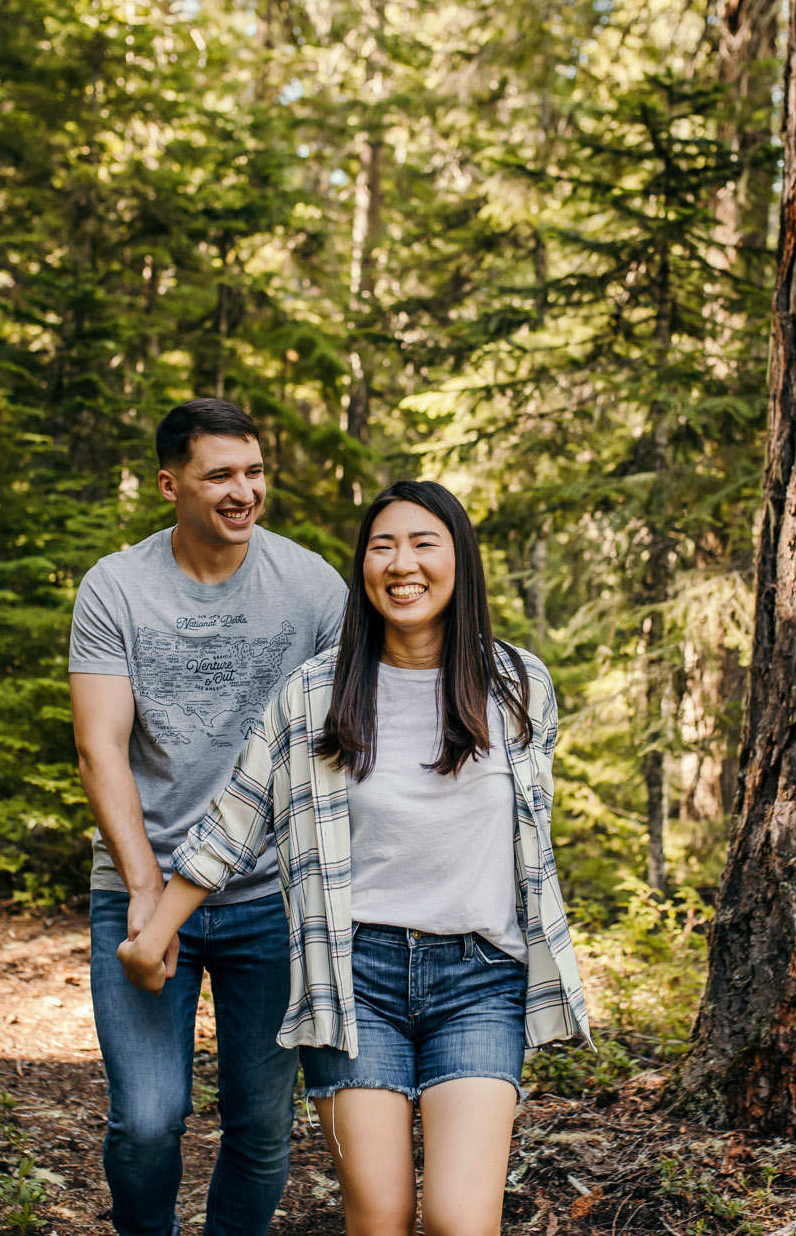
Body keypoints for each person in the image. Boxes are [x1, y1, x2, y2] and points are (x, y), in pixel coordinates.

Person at [117, 480, 591, 1236]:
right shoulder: (314, 692)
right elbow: (235, 822)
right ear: (363, 566)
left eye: (423, 543)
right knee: (379, 1216)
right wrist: (152, 933)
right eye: (382, 545)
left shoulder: (518, 685)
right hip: (351, 979)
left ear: (460, 561)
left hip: (480, 978)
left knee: (460, 1221)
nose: (401, 564)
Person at [69, 398, 348, 1236]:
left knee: (262, 1126)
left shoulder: (313, 587)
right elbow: (100, 747)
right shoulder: (116, 587)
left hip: (270, 897)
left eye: (254, 472)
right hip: (140, 884)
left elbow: (353, 732)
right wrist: (148, 889)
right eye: (220, 474)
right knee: (148, 1120)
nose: (243, 491)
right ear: (170, 484)